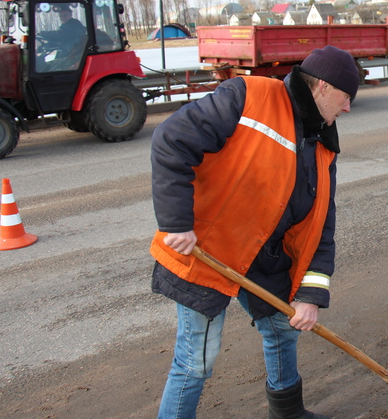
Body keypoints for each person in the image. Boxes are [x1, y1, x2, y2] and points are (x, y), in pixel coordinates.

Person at [150, 45, 360, 418]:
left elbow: (321, 225)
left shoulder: (324, 144)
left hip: (263, 254)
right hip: (207, 250)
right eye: (346, 98)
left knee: (282, 330)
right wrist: (177, 223)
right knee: (196, 360)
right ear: (324, 88)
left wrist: (311, 294)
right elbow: (172, 140)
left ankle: (287, 412)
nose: (347, 108)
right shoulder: (249, 96)